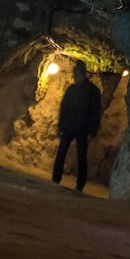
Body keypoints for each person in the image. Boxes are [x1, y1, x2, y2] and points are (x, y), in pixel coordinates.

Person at [51, 60, 102, 192]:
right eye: (74, 74)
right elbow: (64, 108)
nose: (75, 77)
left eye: (76, 74)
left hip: (83, 129)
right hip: (69, 126)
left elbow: (95, 112)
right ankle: (55, 179)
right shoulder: (71, 90)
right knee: (61, 152)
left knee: (81, 157)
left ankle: (80, 185)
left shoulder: (92, 91)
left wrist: (91, 132)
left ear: (83, 74)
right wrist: (60, 126)